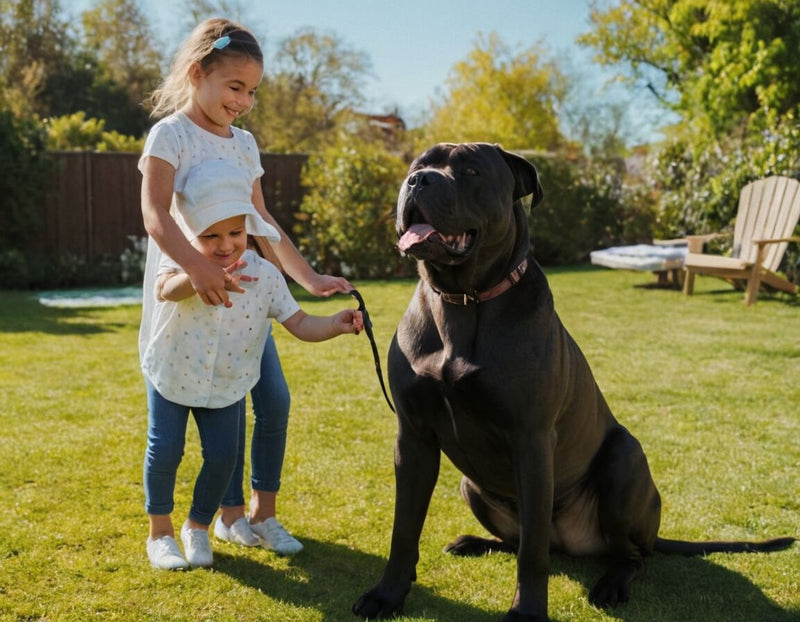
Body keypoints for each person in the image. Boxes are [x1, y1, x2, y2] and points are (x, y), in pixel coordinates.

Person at [138, 16, 353, 561]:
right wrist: (198, 268)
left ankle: (257, 514)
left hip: (244, 298)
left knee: (271, 400)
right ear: (197, 74)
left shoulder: (245, 144)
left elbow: (261, 219)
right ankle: (217, 517)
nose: (244, 100)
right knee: (210, 407)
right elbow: (155, 215)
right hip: (191, 290)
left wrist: (308, 278)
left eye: (252, 91)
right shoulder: (170, 135)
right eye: (235, 86)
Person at [142, 158, 363, 570]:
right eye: (211, 236)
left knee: (224, 456)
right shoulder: (185, 260)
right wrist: (199, 274)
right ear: (191, 234)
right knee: (166, 450)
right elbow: (165, 290)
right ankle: (160, 533)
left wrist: (334, 325)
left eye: (235, 233)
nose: (225, 245)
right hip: (173, 371)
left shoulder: (265, 275)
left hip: (225, 382)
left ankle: (197, 526)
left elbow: (297, 322)